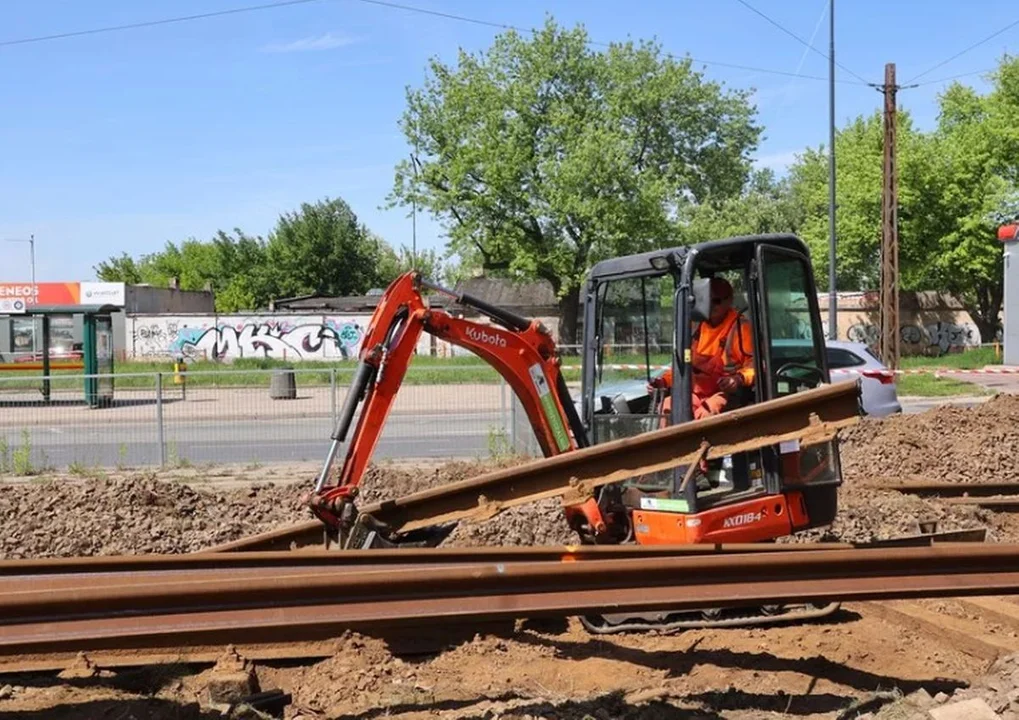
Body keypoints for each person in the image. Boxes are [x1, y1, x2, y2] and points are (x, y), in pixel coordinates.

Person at [649, 277, 755, 420]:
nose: (711, 305)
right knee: (668, 406)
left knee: (707, 413)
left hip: (726, 393)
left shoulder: (740, 328)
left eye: (716, 301)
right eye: (707, 300)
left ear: (729, 300)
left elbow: (755, 364)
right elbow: (682, 366)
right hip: (695, 392)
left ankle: (703, 443)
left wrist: (737, 379)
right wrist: (662, 382)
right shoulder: (695, 327)